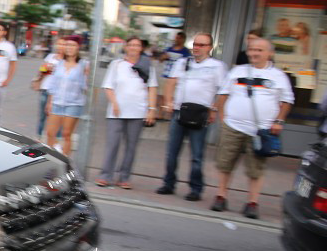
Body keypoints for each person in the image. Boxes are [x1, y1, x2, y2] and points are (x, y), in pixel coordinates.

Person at [210, 37, 294, 219]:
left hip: (261, 131)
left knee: (256, 169)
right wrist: (223, 119)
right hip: (233, 126)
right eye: (251, 50)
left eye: (259, 50)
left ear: (269, 53)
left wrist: (279, 121)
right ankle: (221, 196)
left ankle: (252, 203)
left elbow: (287, 101)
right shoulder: (237, 71)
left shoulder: (279, 76)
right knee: (225, 164)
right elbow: (223, 94)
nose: (254, 53)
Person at [157, 33, 228, 201]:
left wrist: (214, 110)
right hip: (179, 112)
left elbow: (223, 91)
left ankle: (195, 189)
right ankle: (169, 183)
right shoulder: (182, 63)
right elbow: (170, 83)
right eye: (195, 44)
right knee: (172, 152)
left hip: (201, 114)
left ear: (210, 48)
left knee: (197, 155)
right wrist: (168, 101)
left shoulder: (217, 66)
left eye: (202, 45)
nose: (197, 47)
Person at [97, 37, 158, 189]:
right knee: (112, 144)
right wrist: (114, 103)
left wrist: (151, 109)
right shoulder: (117, 64)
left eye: (137, 45)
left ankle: (124, 177)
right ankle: (106, 176)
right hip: (116, 112)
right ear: (126, 47)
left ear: (141, 48)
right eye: (130, 45)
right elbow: (108, 86)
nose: (133, 47)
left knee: (131, 146)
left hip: (138, 111)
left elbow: (152, 88)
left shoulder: (148, 66)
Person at [43, 36, 88, 157]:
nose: (69, 48)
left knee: (66, 134)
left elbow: (87, 86)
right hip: (57, 102)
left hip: (74, 103)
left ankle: (64, 162)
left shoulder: (83, 65)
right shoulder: (59, 63)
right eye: (67, 45)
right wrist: (49, 102)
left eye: (72, 45)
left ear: (78, 47)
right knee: (50, 133)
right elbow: (53, 84)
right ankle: (53, 157)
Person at [33, 37, 65, 136]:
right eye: (59, 44)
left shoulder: (67, 60)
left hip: (59, 92)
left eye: (63, 44)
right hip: (46, 88)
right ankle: (38, 136)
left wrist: (55, 69)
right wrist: (45, 69)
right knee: (42, 115)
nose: (60, 46)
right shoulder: (50, 56)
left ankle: (57, 140)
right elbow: (41, 70)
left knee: (57, 117)